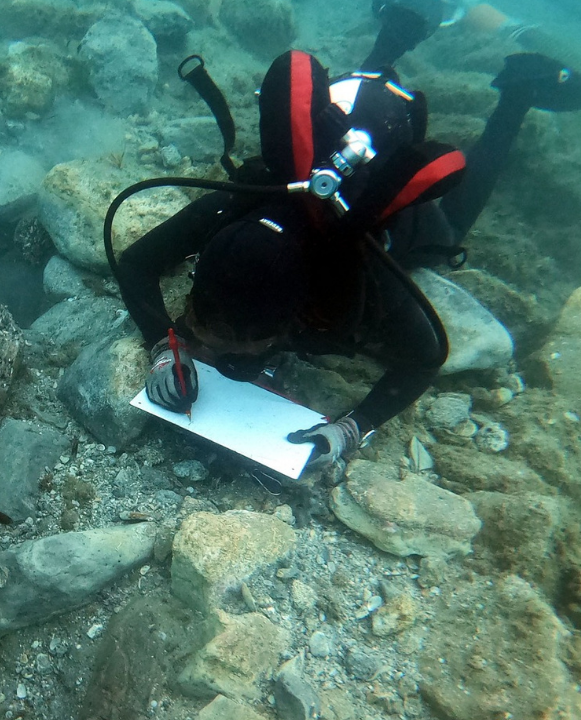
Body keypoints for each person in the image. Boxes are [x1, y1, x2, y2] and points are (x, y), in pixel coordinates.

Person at [114, 0, 580, 474]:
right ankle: (397, 32)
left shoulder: (363, 275)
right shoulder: (236, 205)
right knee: (340, 119)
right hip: (340, 121)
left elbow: (425, 358)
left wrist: (354, 426)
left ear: (288, 322)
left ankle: (517, 96)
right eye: (200, 321)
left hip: (384, 136)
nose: (211, 349)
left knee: (450, 231)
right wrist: (162, 345)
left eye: (231, 342)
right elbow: (135, 263)